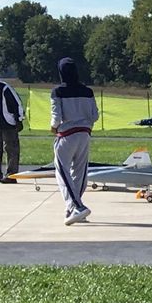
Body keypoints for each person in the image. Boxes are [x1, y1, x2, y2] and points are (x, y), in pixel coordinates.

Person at [49, 57, 99, 225]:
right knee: (80, 172)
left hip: (66, 134)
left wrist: (53, 127)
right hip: (84, 134)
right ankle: (73, 207)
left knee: (62, 172)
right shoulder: (88, 91)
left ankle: (76, 206)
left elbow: (56, 116)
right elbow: (95, 115)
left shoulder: (58, 91)